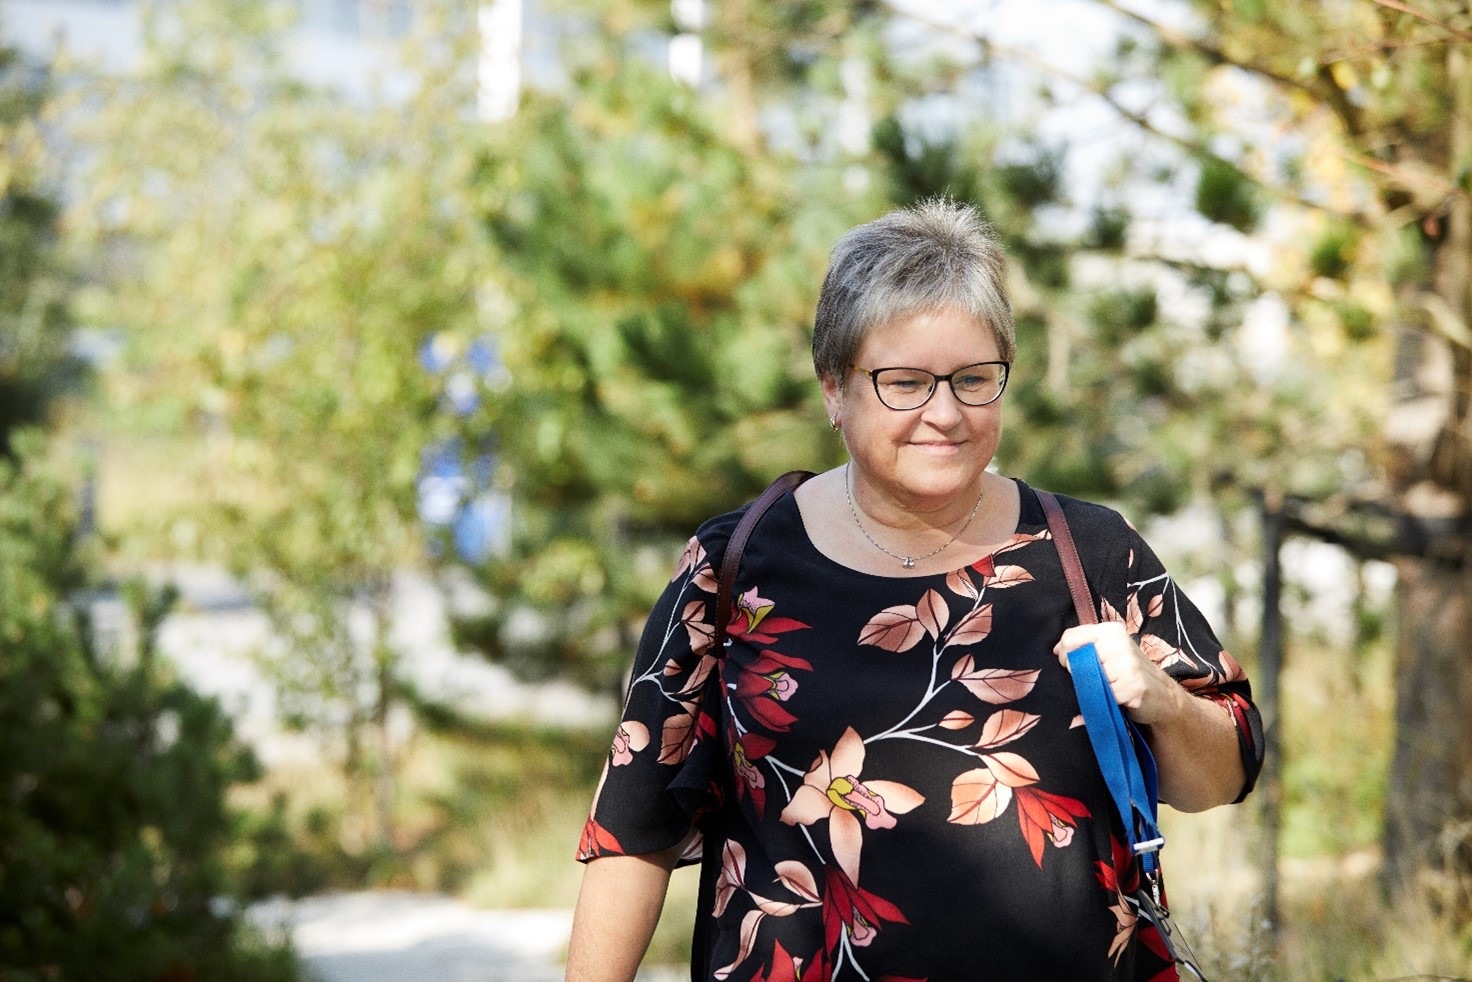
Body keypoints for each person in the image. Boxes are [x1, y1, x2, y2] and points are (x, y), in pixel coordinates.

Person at [565, 199, 1263, 981]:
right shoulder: (738, 565)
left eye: (973, 379)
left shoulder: (1087, 553)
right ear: (834, 389)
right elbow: (632, 827)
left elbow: (1224, 777)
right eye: (904, 382)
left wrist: (1162, 700)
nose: (945, 413)